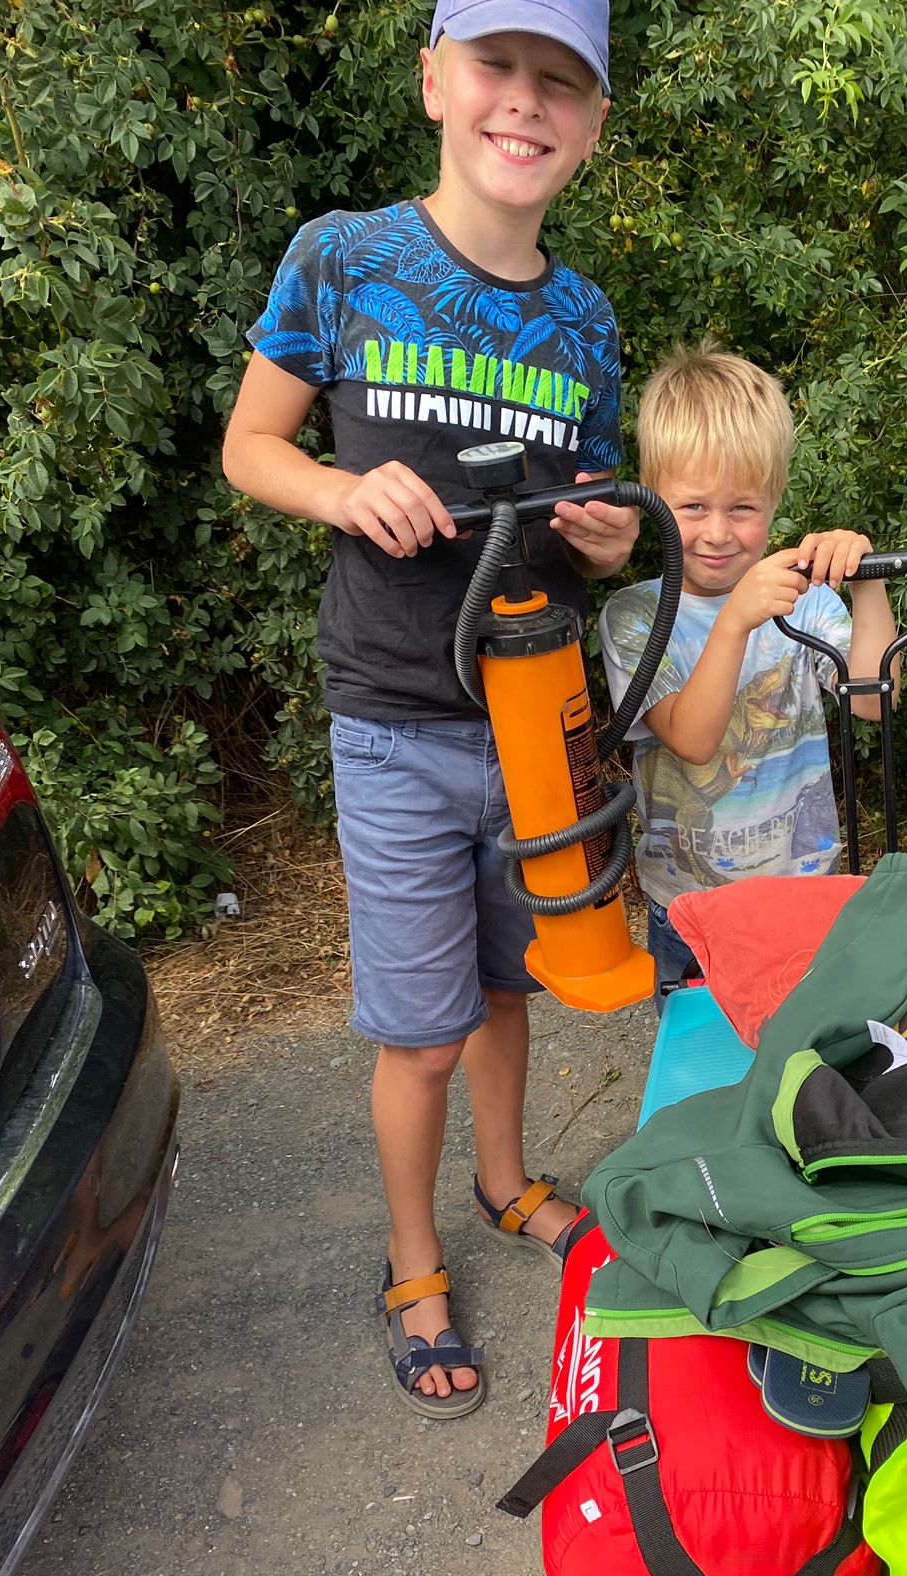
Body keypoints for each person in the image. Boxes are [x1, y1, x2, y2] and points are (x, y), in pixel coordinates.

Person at [221, 0, 637, 1418]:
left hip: (537, 714)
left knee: (513, 981)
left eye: (560, 84)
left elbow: (602, 517)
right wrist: (345, 491)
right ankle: (414, 1263)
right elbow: (250, 446)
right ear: (435, 82)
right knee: (422, 1026)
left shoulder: (584, 321)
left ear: (588, 123)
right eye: (497, 68)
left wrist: (608, 541)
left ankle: (507, 1179)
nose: (524, 104)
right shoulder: (343, 258)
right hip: (394, 719)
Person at [598, 344, 900, 1003]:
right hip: (693, 911)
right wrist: (735, 620)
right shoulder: (634, 617)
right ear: (651, 497)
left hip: (808, 896)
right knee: (711, 1076)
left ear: (774, 501)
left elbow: (877, 698)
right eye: (693, 507)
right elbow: (693, 739)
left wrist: (867, 582)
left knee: (809, 1069)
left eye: (742, 508)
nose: (717, 533)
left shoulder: (804, 597)